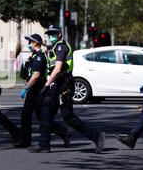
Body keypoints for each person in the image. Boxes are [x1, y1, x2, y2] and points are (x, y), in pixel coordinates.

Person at [44, 25, 106, 154]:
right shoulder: (54, 47)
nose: (50, 36)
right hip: (59, 84)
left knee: (68, 116)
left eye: (53, 34)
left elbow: (58, 68)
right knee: (47, 114)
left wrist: (46, 84)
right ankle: (46, 143)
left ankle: (96, 136)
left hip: (63, 85)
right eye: (49, 34)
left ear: (59, 34)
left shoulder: (61, 47)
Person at [14, 33, 72, 152]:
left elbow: (36, 75)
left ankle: (63, 132)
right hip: (33, 89)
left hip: (39, 89)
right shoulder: (33, 56)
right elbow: (29, 73)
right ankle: (25, 140)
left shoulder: (40, 56)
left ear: (36, 43)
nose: (28, 44)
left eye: (30, 42)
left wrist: (26, 88)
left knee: (42, 118)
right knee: (27, 115)